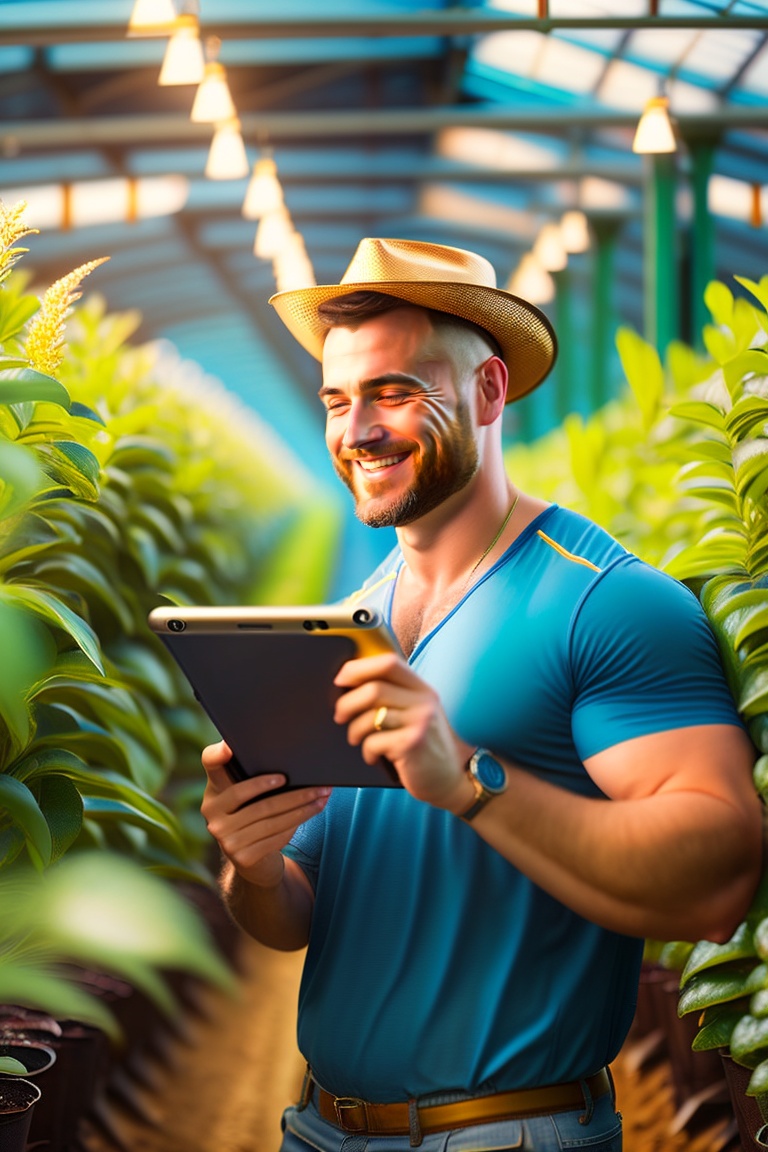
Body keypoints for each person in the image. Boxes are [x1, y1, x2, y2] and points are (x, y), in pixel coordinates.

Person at [201, 238, 762, 1152]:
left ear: (490, 391)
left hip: (510, 1133)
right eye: (338, 402)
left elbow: (717, 876)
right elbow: (295, 915)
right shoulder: (348, 622)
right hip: (317, 1129)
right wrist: (253, 865)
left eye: (393, 392)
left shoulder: (607, 602)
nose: (357, 432)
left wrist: (467, 776)